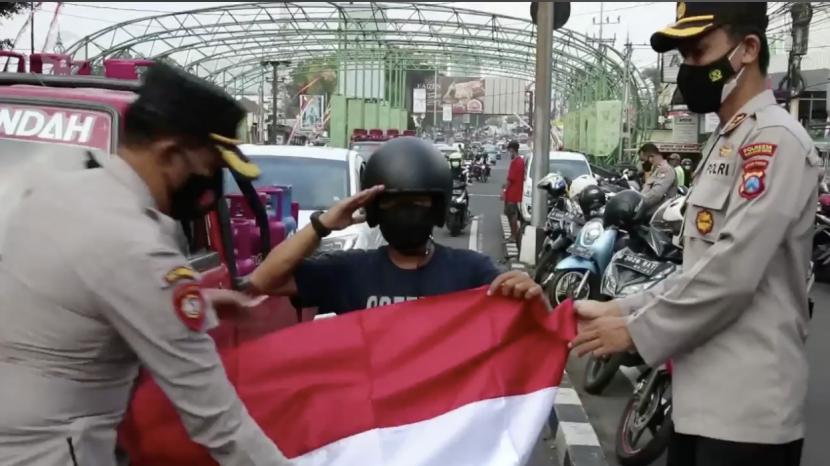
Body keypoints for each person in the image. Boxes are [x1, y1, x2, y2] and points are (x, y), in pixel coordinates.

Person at [0, 63, 289, 465]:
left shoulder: (54, 189)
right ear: (170, 153)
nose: (209, 185)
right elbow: (217, 419)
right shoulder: (135, 244)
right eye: (210, 169)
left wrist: (204, 304)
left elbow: (85, 297)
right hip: (54, 450)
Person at [571, 3, 822, 466]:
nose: (689, 69)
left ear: (748, 49)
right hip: (697, 409)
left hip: (747, 421)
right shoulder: (728, 140)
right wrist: (620, 307)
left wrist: (633, 330)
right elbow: (698, 268)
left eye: (699, 51)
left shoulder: (775, 142)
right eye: (683, 56)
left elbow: (730, 275)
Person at [239, 137, 541, 315]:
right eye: (392, 204)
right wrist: (323, 223)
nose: (406, 213)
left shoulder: (472, 272)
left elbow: (528, 322)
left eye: (417, 203)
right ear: (374, 211)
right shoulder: (347, 271)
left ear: (436, 208)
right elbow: (262, 281)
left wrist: (532, 295)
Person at [640, 143, 678, 217]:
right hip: (650, 213)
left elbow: (655, 195)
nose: (643, 163)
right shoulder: (656, 170)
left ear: (651, 156)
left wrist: (638, 203)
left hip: (656, 216)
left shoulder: (665, 170)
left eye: (643, 160)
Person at [502, 140, 525, 244]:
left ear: (512, 150)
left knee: (511, 215)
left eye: (509, 151)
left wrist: (504, 191)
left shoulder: (515, 162)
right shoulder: (521, 161)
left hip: (512, 193)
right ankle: (514, 235)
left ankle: (513, 236)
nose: (509, 153)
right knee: (512, 214)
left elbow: (510, 179)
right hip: (517, 192)